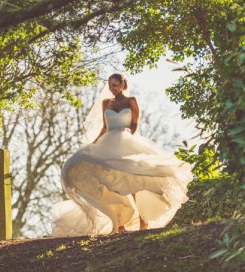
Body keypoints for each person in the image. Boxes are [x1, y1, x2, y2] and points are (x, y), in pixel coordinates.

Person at [52, 73, 193, 236]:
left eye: (115, 85)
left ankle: (143, 220)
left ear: (122, 84)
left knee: (135, 181)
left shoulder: (131, 101)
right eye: (110, 85)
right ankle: (119, 223)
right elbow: (104, 127)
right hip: (108, 142)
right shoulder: (106, 103)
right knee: (114, 183)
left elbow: (134, 125)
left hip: (127, 140)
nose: (112, 88)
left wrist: (127, 141)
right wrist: (94, 143)